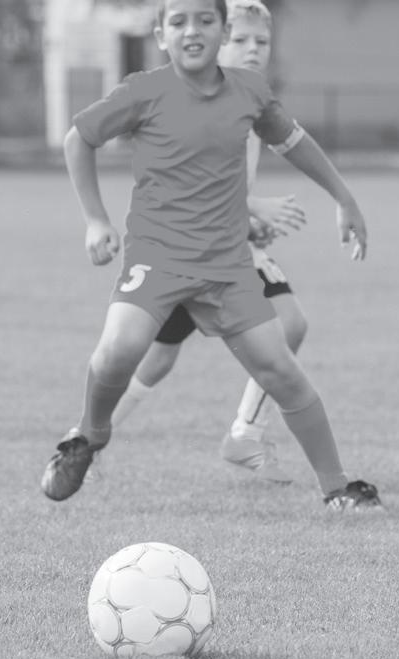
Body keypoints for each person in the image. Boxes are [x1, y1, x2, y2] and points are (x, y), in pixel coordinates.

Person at [41, 0, 380, 510]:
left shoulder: (249, 92)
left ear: (223, 30)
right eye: (178, 22)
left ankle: (338, 491)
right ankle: (89, 436)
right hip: (157, 260)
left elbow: (294, 142)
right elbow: (77, 140)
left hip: (226, 269)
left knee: (282, 372)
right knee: (119, 350)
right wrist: (95, 219)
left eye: (205, 20)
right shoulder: (143, 90)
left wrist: (344, 197)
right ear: (161, 35)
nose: (192, 31)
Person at [110, 0, 306, 484]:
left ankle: (245, 434)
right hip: (183, 249)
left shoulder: (251, 100)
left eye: (262, 41)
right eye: (240, 40)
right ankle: (87, 439)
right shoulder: (199, 99)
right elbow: (191, 183)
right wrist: (254, 207)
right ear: (217, 41)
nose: (253, 49)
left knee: (290, 324)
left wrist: (248, 219)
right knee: (156, 358)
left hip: (229, 247)